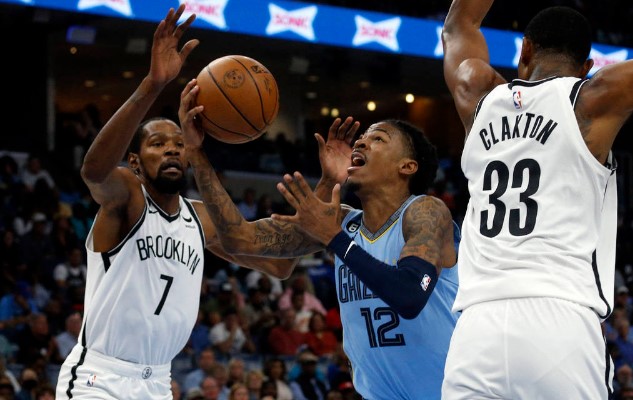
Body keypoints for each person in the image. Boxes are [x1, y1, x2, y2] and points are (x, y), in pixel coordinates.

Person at [54, 5, 300, 399]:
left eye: (178, 143)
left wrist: (326, 191)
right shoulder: (128, 196)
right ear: (135, 162)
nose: (172, 150)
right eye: (157, 144)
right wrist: (153, 84)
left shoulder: (200, 219)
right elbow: (94, 172)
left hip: (157, 382)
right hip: (100, 376)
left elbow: (279, 264)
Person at [180, 68, 461, 399]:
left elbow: (410, 295)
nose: (361, 141)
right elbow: (240, 239)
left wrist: (336, 240)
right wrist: (196, 153)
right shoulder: (342, 222)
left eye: (378, 139)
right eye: (362, 138)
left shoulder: (426, 211)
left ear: (407, 166)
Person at [441, 1, 631, 398]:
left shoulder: (478, 97)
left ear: (525, 49)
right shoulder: (591, 99)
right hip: (559, 320)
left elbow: (458, 26)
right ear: (587, 66)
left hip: (476, 328)